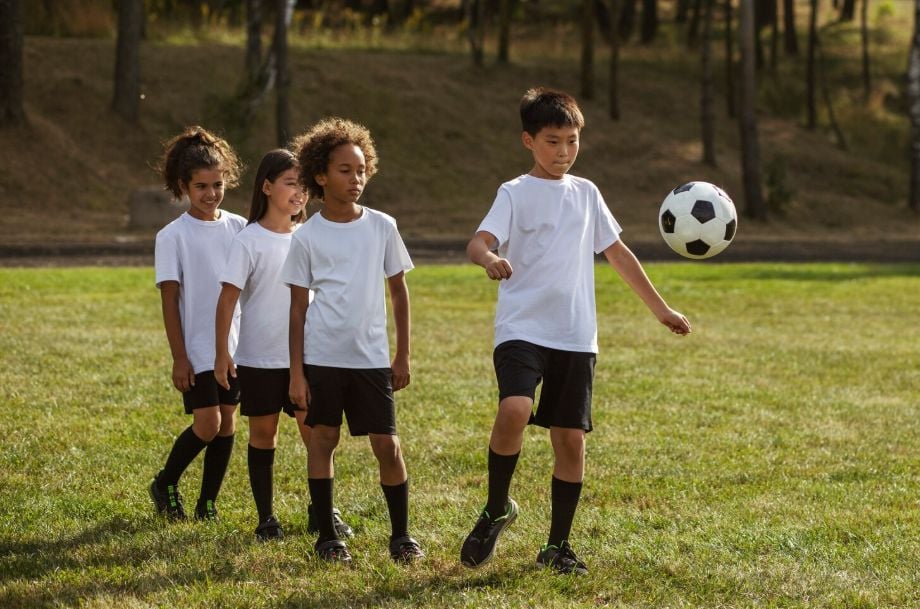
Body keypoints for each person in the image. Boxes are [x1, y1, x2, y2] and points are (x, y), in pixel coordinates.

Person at [459, 88, 692, 575]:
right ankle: (496, 507)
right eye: (552, 141)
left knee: (570, 440)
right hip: (521, 327)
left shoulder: (587, 194)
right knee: (515, 407)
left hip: (574, 335)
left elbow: (619, 255)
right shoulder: (514, 192)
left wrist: (661, 309)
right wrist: (490, 258)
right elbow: (479, 241)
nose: (563, 151)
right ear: (528, 141)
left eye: (572, 141)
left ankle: (556, 547)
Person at [281, 117, 424, 565]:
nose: (356, 178)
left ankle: (401, 536)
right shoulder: (305, 236)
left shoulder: (383, 226)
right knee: (323, 440)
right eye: (345, 170)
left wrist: (401, 354)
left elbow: (398, 291)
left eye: (361, 169)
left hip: (371, 360)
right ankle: (327, 537)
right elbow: (298, 310)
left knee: (388, 444)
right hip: (323, 358)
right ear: (320, 175)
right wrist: (297, 374)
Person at [214, 149, 352, 541]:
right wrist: (222, 352)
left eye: (305, 185)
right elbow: (227, 300)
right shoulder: (249, 241)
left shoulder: (311, 236)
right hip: (259, 359)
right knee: (264, 435)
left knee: (317, 435)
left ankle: (322, 510)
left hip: (308, 358)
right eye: (291, 183)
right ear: (268, 186)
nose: (300, 192)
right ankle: (266, 518)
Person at [149, 126, 246, 521]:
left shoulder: (240, 227)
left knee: (227, 425)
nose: (211, 193)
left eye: (218, 184)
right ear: (183, 185)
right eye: (201, 186)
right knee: (208, 424)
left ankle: (208, 502)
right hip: (199, 347)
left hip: (236, 345)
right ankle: (166, 481)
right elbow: (169, 300)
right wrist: (179, 357)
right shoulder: (172, 236)